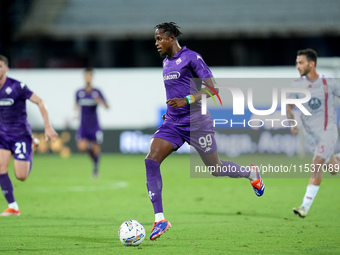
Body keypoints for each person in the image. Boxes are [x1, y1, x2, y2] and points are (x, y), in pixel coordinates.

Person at [145, 22, 265, 241]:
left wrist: (187, 100)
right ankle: (160, 219)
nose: (156, 43)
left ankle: (251, 174)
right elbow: (176, 92)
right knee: (151, 160)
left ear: (171, 38)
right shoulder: (165, 63)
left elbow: (212, 88)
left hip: (197, 123)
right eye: (155, 39)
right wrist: (172, 110)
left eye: (159, 39)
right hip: (173, 123)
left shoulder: (191, 57)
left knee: (216, 169)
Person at [0, 55, 58, 216]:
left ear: (6, 69)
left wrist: (47, 126)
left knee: (21, 176)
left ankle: (31, 146)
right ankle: (13, 206)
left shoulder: (18, 86)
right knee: (1, 168)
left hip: (20, 134)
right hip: (2, 135)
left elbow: (40, 101)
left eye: (0, 66)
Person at [287, 48, 340, 218]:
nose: (297, 66)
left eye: (300, 62)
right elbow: (289, 106)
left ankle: (304, 206)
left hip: (328, 131)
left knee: (316, 164)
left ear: (312, 64)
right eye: (296, 62)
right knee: (333, 168)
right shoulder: (296, 85)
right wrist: (292, 124)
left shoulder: (328, 82)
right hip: (311, 135)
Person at [75, 68, 109, 177]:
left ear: (92, 77)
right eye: (86, 76)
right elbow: (76, 105)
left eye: (89, 76)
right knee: (82, 147)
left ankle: (95, 169)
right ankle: (93, 156)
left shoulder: (97, 92)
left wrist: (101, 102)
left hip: (94, 125)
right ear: (84, 77)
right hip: (83, 125)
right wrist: (75, 113)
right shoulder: (79, 92)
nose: (87, 78)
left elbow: (107, 106)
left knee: (96, 148)